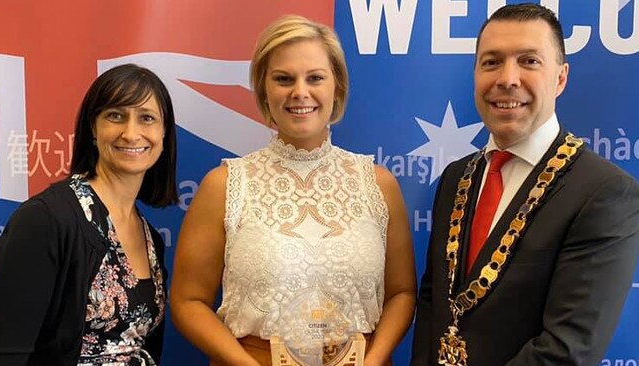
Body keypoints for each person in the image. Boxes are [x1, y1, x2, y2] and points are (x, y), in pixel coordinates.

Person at [170, 15, 416, 366]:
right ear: (264, 91)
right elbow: (187, 301)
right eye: (283, 79)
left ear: (338, 87)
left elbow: (402, 293)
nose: (300, 92)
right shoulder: (224, 186)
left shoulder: (378, 184)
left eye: (315, 78)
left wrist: (374, 360)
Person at [410, 3, 639, 366]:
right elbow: (433, 302)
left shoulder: (605, 193)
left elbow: (567, 350)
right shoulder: (456, 177)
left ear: (560, 78)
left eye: (529, 61)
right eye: (491, 62)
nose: (507, 78)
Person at [0, 64, 178, 365]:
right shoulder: (45, 220)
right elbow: (3, 354)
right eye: (115, 116)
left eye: (147, 118)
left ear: (164, 132)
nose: (131, 133)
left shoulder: (150, 237)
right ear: (93, 127)